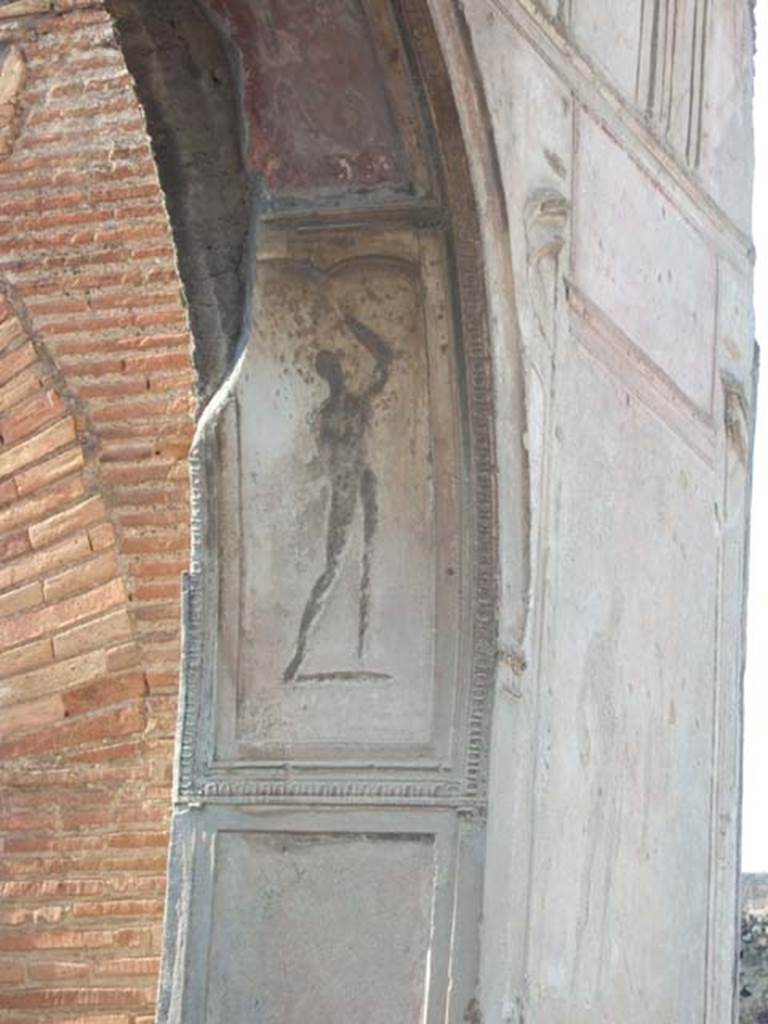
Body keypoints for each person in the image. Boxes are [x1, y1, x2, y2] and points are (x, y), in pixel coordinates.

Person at [283, 315, 393, 682]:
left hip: (365, 481)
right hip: (345, 488)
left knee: (371, 559)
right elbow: (328, 461)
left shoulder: (357, 404)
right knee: (333, 568)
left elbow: (385, 361)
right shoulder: (325, 416)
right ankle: (301, 653)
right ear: (325, 377)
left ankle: (366, 649)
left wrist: (355, 325)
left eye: (337, 367)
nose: (337, 374)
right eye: (329, 370)